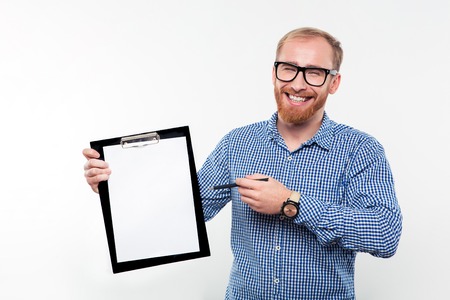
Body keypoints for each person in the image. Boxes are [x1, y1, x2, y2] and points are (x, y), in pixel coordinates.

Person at [83, 27, 402, 299]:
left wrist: (291, 203)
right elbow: (186, 213)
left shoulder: (361, 150)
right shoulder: (237, 144)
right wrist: (117, 188)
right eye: (288, 68)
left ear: (334, 83)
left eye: (315, 72)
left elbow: (386, 235)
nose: (298, 83)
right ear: (274, 72)